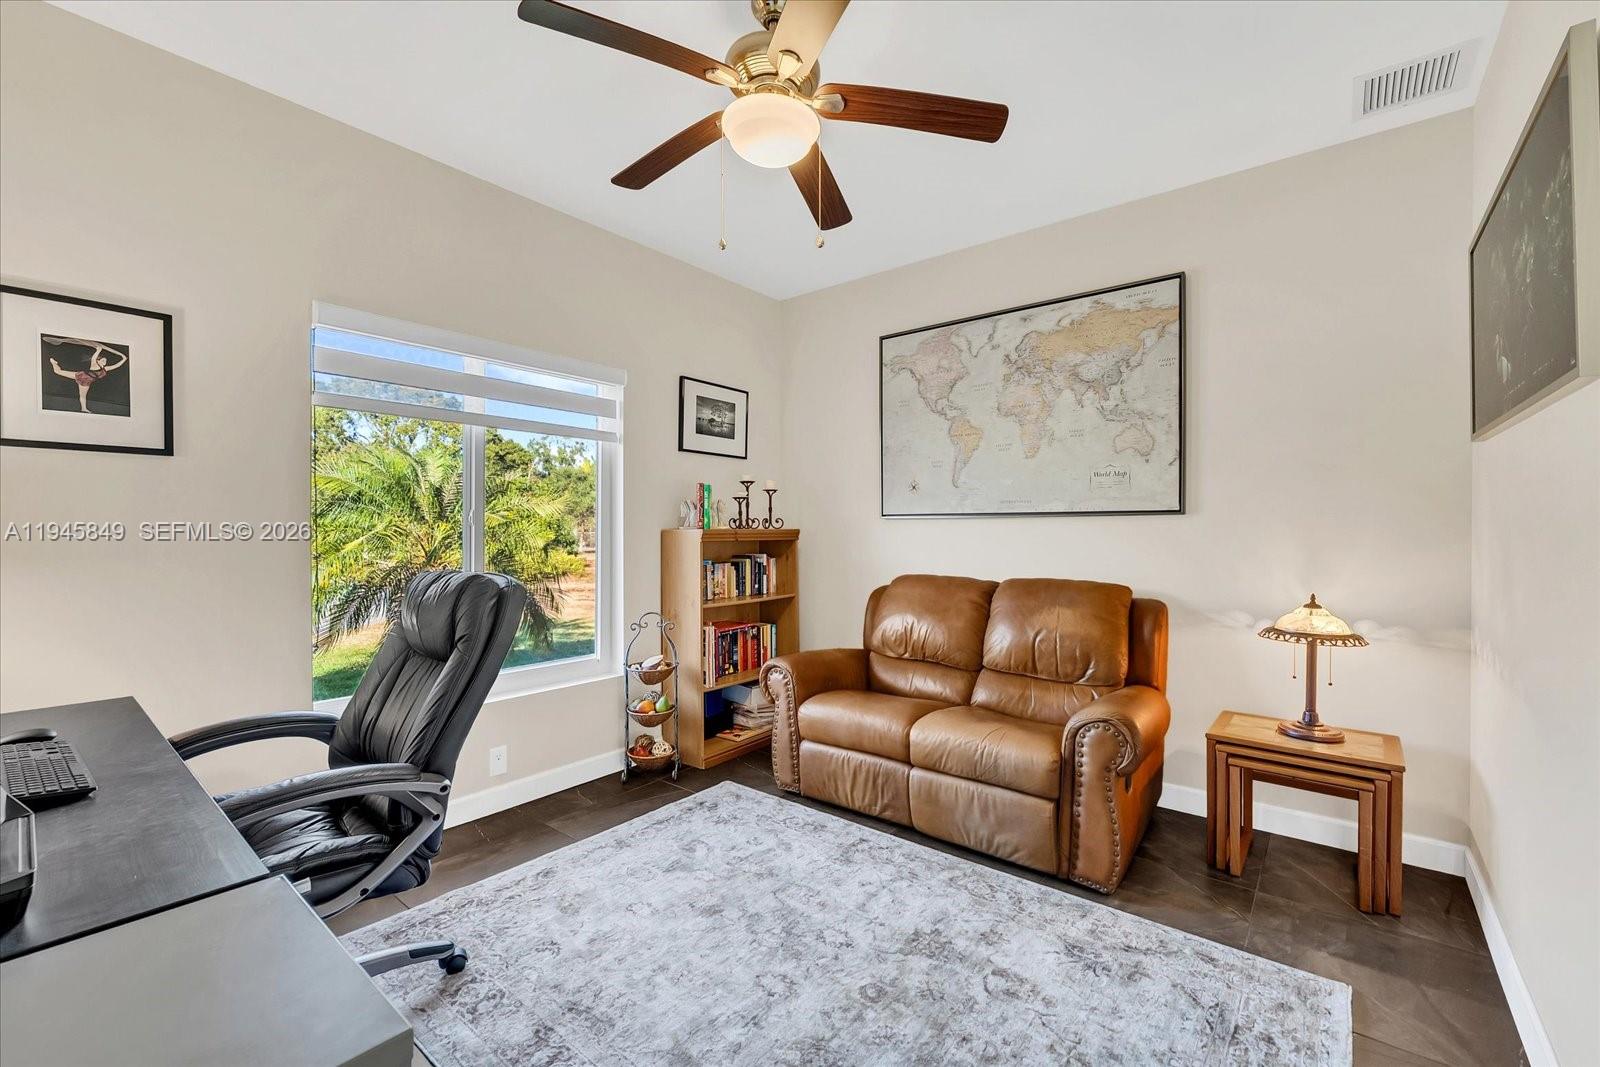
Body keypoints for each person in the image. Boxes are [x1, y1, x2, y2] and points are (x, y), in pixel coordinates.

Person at [45, 336, 127, 414]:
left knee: (82, 395)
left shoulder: (106, 368)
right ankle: (54, 363)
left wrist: (124, 358)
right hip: (83, 377)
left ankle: (83, 409)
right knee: (58, 372)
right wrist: (98, 350)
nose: (104, 361)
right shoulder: (95, 364)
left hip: (87, 379)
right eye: (102, 360)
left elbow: (117, 365)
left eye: (105, 361)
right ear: (98, 361)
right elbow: (94, 358)